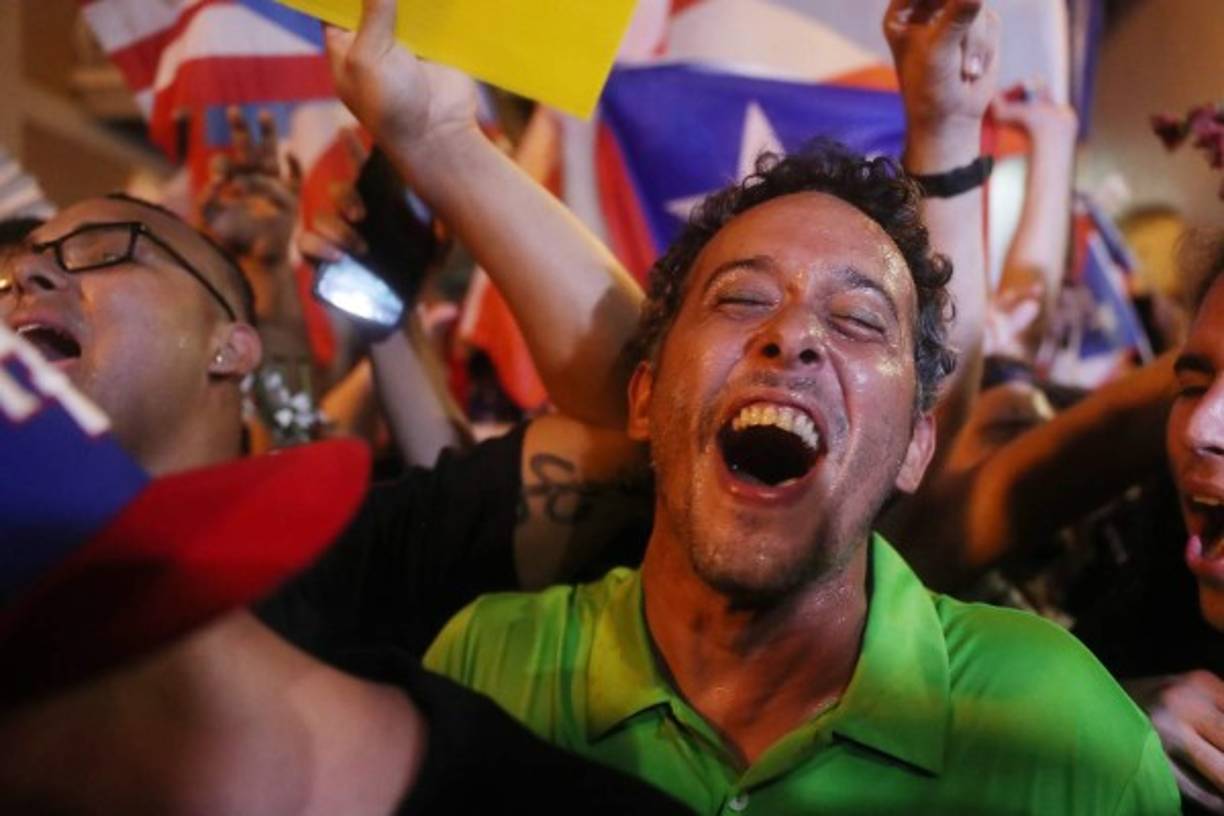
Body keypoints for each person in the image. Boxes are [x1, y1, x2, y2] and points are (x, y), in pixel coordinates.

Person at [304, 0, 1173, 811]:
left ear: (917, 447)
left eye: (856, 319)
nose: (791, 335)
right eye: (743, 299)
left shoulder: (1066, 737)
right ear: (643, 396)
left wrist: (949, 128)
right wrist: (436, 137)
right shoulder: (488, 662)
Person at [0, 320, 692, 815]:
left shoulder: (346, 559)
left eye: (105, 248)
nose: (30, 286)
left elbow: (658, 435)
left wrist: (446, 164)